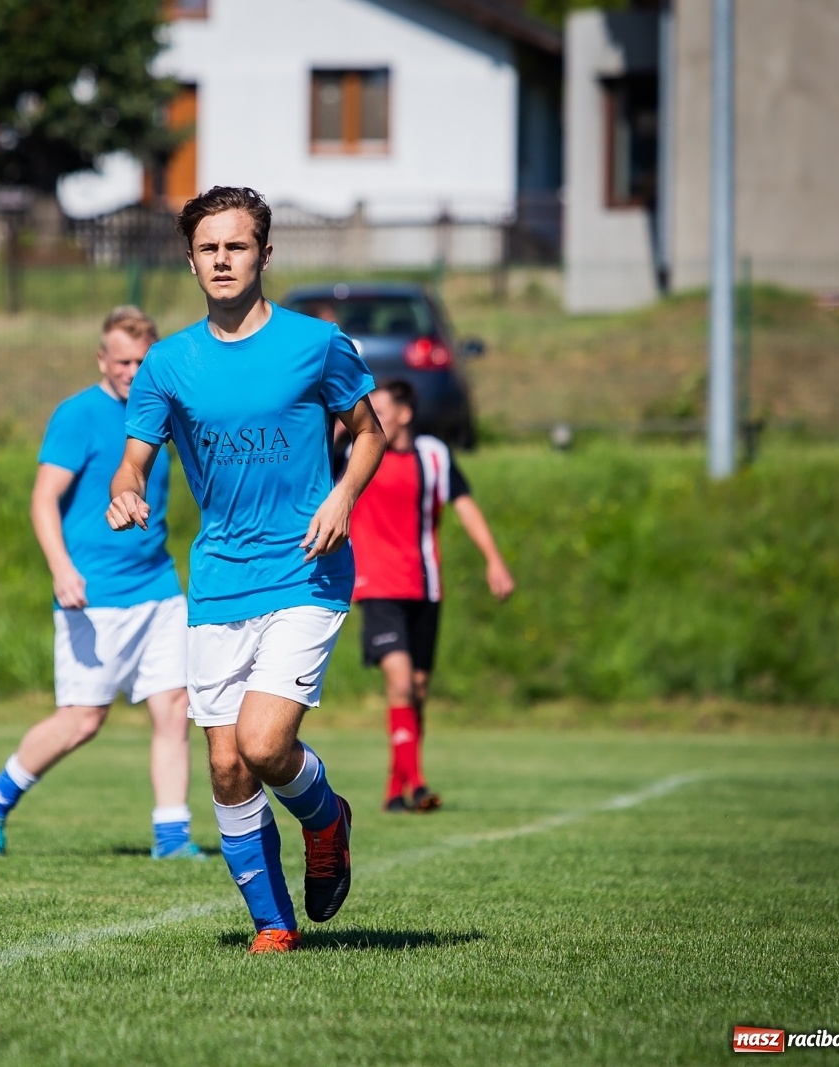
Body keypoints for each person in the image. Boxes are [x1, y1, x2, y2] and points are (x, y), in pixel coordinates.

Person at [107, 187, 388, 953]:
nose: (223, 259)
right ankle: (274, 924)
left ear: (264, 254)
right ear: (190, 260)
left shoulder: (317, 344)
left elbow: (369, 432)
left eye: (236, 245)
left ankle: (326, 821)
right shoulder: (167, 364)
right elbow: (133, 461)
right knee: (227, 764)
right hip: (219, 582)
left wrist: (342, 497)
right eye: (209, 248)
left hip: (305, 571)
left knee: (264, 744)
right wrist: (125, 491)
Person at [0, 306, 199, 861]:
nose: (132, 371)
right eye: (122, 361)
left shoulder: (163, 412)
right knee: (83, 720)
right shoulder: (77, 415)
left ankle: (172, 838)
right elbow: (43, 499)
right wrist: (61, 568)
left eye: (142, 361)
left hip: (158, 586)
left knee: (175, 707)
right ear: (101, 359)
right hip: (94, 595)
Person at [348, 379, 514, 813]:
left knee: (417, 691)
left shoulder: (434, 455)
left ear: (405, 414)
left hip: (424, 585)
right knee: (400, 682)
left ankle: (394, 789)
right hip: (376, 586)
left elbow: (464, 505)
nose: (373, 418)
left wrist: (494, 560)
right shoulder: (356, 452)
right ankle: (418, 784)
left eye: (382, 411)